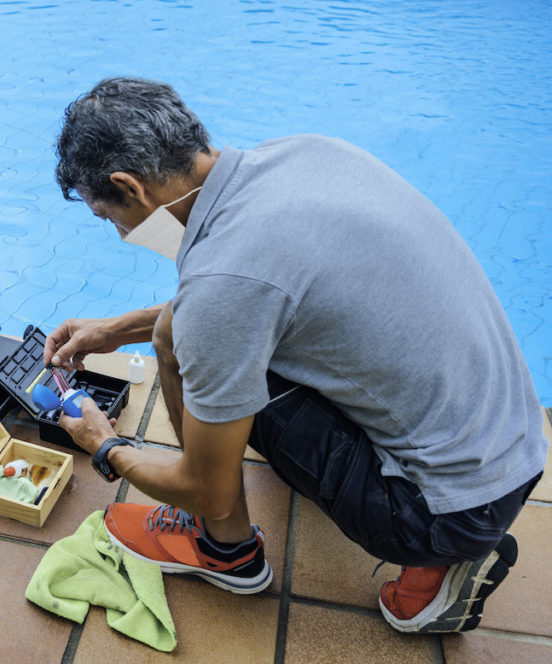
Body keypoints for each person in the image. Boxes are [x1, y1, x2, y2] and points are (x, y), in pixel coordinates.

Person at [44, 77, 547, 633]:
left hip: (440, 511)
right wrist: (117, 329)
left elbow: (206, 475)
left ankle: (226, 551)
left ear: (130, 188)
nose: (118, 233)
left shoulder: (223, 286)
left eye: (106, 217)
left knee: (184, 340)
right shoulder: (303, 153)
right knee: (185, 329)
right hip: (511, 447)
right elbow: (250, 293)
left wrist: (104, 443)